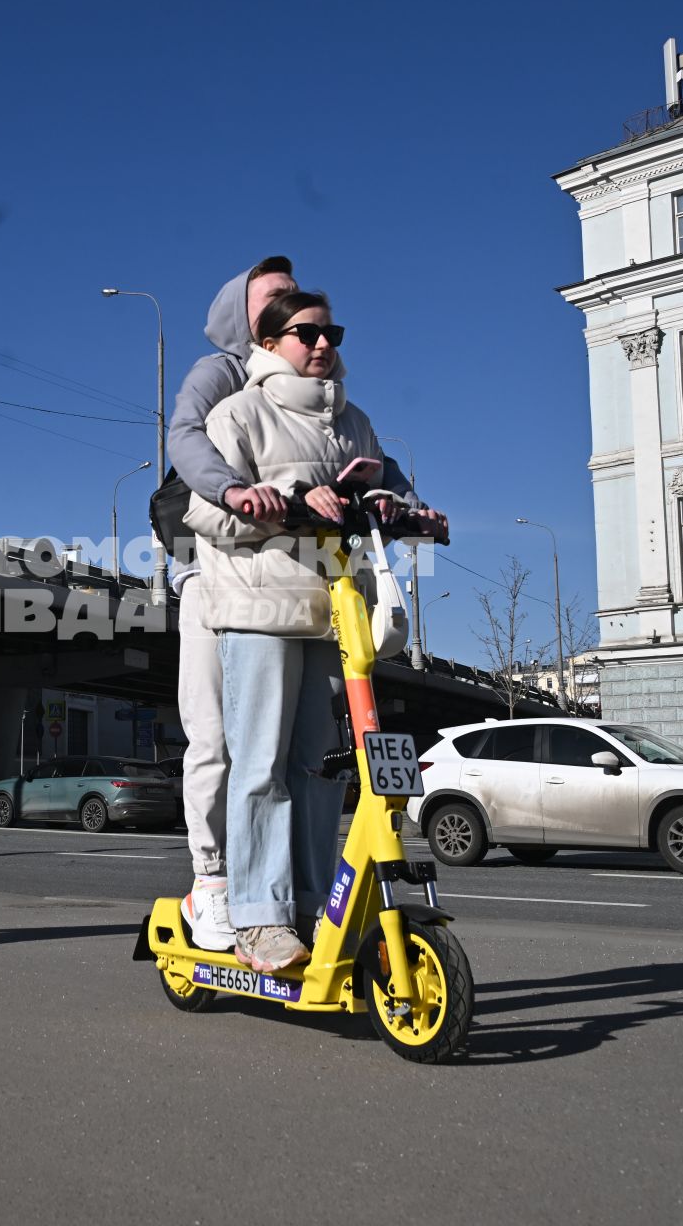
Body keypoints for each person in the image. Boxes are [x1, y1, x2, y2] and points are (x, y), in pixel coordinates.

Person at [183, 290, 441, 973]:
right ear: (269, 345)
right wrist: (281, 502)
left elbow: (384, 494)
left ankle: (308, 904)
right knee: (260, 766)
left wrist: (400, 508)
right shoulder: (239, 414)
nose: (323, 345)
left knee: (320, 772)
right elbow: (204, 515)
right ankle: (258, 918)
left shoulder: (354, 423)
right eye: (306, 334)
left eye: (331, 333)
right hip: (260, 613)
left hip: (333, 615)